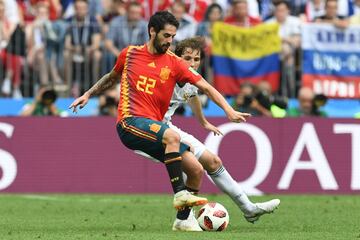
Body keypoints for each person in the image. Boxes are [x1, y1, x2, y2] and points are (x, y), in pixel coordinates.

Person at [69, 11, 251, 226]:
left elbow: (205, 87)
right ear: (152, 31)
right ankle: (180, 193)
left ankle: (183, 220)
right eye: (166, 36)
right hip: (130, 122)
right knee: (172, 136)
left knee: (196, 170)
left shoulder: (174, 63)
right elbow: (111, 77)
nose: (170, 41)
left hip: (155, 127)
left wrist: (228, 110)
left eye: (173, 37)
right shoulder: (129, 54)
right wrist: (88, 94)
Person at [136, 37, 281, 231]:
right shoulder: (165, 74)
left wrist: (203, 122)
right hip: (150, 129)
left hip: (168, 127)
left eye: (196, 59)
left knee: (213, 162)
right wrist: (229, 110)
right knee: (194, 169)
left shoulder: (191, 80)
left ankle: (249, 209)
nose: (193, 63)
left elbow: (193, 97)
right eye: (187, 58)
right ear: (176, 58)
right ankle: (185, 219)